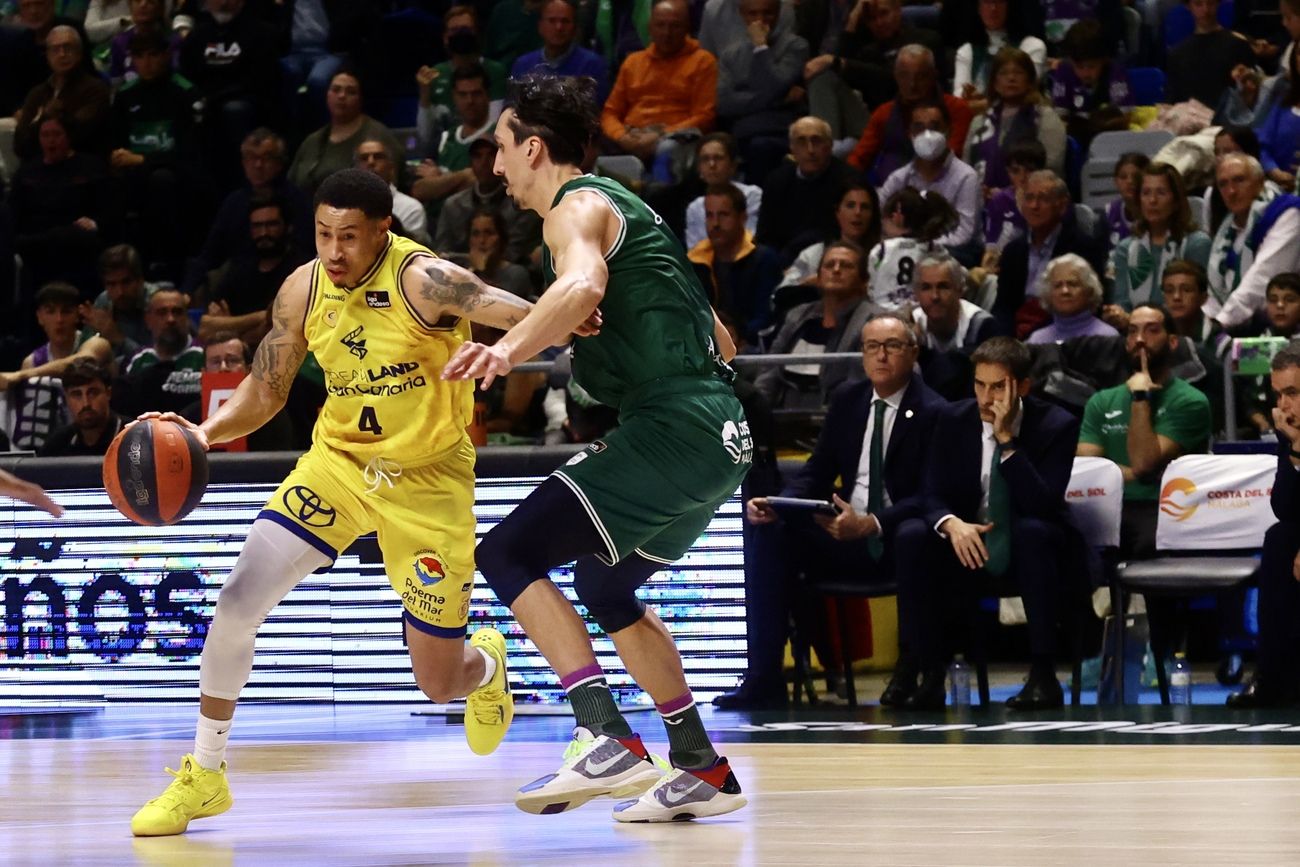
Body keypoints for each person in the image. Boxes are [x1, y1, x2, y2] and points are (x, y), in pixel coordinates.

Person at [129, 168, 535, 837]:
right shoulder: (303, 287)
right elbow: (267, 387)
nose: (335, 250)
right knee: (237, 601)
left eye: (350, 236)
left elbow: (512, 310)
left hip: (427, 481)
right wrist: (202, 431)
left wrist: (576, 318)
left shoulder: (426, 281)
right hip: (338, 466)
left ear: (385, 229)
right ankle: (205, 773)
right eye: (323, 234)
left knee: (438, 682)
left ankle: (488, 663)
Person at [443, 74, 751, 823]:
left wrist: (507, 350)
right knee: (607, 587)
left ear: (534, 147)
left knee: (507, 554)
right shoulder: (634, 211)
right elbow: (723, 339)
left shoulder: (573, 208)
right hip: (723, 434)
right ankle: (700, 765)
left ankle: (603, 730)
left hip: (670, 428)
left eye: (503, 148)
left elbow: (581, 286)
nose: (497, 166)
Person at [727, 313, 946, 710]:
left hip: (896, 537)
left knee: (917, 535)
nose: (881, 356)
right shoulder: (849, 399)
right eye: (872, 347)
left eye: (892, 346)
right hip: (842, 533)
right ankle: (764, 676)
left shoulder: (935, 411)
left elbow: (932, 495)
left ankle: (913, 670)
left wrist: (873, 523)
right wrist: (781, 503)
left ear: (913, 352)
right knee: (772, 532)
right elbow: (817, 472)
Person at [893, 337, 1079, 710]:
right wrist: (952, 525)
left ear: (1022, 387)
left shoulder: (1057, 424)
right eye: (979, 384)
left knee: (1033, 533)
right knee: (914, 535)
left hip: (1030, 547)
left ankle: (1043, 674)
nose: (986, 397)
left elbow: (1042, 504)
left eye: (998, 387)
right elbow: (930, 492)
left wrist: (1008, 442)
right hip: (968, 545)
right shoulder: (951, 419)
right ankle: (926, 673)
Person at [1227, 340, 1300, 707]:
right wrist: (1297, 449)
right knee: (1280, 537)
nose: (1283, 407)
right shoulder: (1291, 432)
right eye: (1278, 395)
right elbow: (1284, 506)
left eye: (1293, 393)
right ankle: (1273, 677)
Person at [599, 0, 717, 183]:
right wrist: (621, 136)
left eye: (675, 26)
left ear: (687, 27)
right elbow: (610, 112)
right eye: (660, 25)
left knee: (667, 149)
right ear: (650, 27)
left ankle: (658, 205)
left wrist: (661, 135)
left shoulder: (703, 61)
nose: (667, 33)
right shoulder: (633, 62)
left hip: (675, 137)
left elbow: (704, 116)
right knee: (590, 144)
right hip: (632, 134)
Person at [988, 170, 1106, 336]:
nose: (1034, 206)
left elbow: (1092, 304)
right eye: (1029, 198)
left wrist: (1036, 334)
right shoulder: (1012, 251)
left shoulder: (1083, 248)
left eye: (1042, 199)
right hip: (1017, 335)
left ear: (1062, 205)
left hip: (1063, 332)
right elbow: (1004, 306)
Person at [1, 281, 114, 451]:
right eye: (51, 311)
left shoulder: (97, 343)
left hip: (101, 437)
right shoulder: (32, 362)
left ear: (78, 314)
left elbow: (81, 362)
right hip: (56, 444)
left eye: (66, 311)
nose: (59, 319)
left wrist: (20, 375)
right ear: (40, 316)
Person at [846, 44, 973, 185]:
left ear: (934, 75)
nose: (912, 84)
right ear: (895, 75)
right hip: (888, 193)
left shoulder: (957, 109)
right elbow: (859, 158)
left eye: (921, 76)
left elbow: (954, 158)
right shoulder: (884, 113)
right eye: (904, 75)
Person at [715, 0, 810, 184]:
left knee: (761, 147)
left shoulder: (796, 46)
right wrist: (779, 100)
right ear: (743, 16)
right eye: (753, 14)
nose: (760, 20)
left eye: (768, 14)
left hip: (779, 130)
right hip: (742, 132)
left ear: (778, 14)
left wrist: (760, 47)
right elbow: (724, 103)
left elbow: (773, 86)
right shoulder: (730, 55)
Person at [1204, 153, 1300, 328]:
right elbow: (1214, 292)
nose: (1231, 191)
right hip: (1235, 326)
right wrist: (1204, 325)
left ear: (1260, 182)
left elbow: (1262, 278)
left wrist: (1219, 323)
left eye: (1239, 180)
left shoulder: (1288, 213)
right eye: (1223, 184)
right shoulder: (1227, 229)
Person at [198, 194, 309, 346]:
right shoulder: (239, 268)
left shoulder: (302, 270)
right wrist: (261, 317)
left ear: (288, 227)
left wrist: (229, 327)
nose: (264, 233)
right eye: (257, 226)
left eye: (271, 225)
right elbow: (206, 327)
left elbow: (275, 334)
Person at [878, 100, 982, 262]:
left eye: (934, 127)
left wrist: (921, 246)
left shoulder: (966, 177)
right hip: (906, 251)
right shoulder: (899, 178)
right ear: (909, 133)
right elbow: (879, 216)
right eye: (919, 127)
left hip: (952, 254)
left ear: (948, 130)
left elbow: (964, 234)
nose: (927, 134)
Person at [1106, 162, 1212, 316]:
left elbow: (1198, 303)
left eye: (1161, 193)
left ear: (1176, 201)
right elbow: (1122, 302)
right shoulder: (1125, 248)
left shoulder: (1196, 244)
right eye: (1146, 193)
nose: (1152, 200)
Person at [687, 183, 782, 345]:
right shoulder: (694, 261)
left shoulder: (764, 259)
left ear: (742, 218)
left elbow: (765, 318)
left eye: (723, 215)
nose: (715, 223)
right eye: (709, 215)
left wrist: (734, 335)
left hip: (750, 349)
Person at [962, 47, 1066, 192]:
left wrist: (1010, 194)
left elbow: (1052, 168)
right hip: (981, 201)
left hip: (1032, 201)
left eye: (1018, 72)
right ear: (995, 83)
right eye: (1004, 73)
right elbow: (966, 168)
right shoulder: (979, 122)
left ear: (1029, 81)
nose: (1011, 78)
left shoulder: (1044, 117)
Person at [287, 68, 403, 197]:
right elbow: (291, 186)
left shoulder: (379, 136)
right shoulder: (312, 141)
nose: (342, 96)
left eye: (351, 92)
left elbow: (389, 189)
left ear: (361, 98)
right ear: (327, 95)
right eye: (336, 90)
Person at [755, 116, 857, 258]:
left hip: (831, 260)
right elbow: (765, 236)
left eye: (816, 141)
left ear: (829, 145)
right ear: (792, 148)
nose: (810, 150)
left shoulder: (849, 182)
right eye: (801, 142)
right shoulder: (776, 180)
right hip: (784, 262)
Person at [433, 136, 542, 264]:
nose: (484, 162)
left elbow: (516, 253)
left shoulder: (522, 204)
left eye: (491, 155)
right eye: (478, 156)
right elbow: (442, 254)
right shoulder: (453, 205)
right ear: (471, 164)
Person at [179, 332, 295, 451]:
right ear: (203, 373)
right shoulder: (189, 417)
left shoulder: (273, 416)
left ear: (249, 370)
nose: (223, 368)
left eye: (232, 360)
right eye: (216, 362)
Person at [13, 24, 111, 160]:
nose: (62, 54)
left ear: (79, 53)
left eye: (68, 48)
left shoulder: (96, 89)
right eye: (55, 49)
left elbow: (79, 135)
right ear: (47, 56)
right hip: (39, 167)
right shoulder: (37, 93)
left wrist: (42, 121)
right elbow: (20, 145)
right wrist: (45, 116)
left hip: (81, 166)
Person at [866, 187, 959, 310]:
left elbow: (870, 287)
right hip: (922, 314)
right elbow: (957, 277)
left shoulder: (882, 250)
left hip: (883, 315)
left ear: (897, 215)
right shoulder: (934, 248)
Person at [1048, 19, 1132, 148]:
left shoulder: (1115, 71)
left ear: (1103, 61)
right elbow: (1060, 119)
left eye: (1091, 67)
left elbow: (1124, 118)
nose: (1085, 73)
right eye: (1079, 67)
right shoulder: (1064, 70)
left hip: (1109, 140)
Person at [781, 183, 881, 287]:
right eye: (850, 205)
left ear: (872, 214)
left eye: (865, 207)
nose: (857, 212)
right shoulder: (813, 255)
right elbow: (781, 295)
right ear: (837, 212)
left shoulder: (884, 255)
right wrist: (806, 286)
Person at [953, 0, 1047, 109]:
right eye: (987, 2)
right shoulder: (966, 51)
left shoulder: (1033, 46)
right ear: (978, 8)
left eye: (999, 2)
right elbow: (959, 102)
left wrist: (976, 104)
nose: (993, 8)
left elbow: (1023, 96)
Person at [510, 0, 610, 103]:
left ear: (575, 28)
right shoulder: (523, 65)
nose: (559, 27)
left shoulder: (592, 65)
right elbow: (511, 109)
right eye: (552, 21)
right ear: (540, 26)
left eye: (565, 21)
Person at [1167, 0, 1257, 109]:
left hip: (1229, 119)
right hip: (1190, 121)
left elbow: (1252, 93)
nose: (1206, 10)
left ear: (1218, 4)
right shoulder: (1177, 54)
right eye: (1198, 4)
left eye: (1210, 3)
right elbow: (1174, 100)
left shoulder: (1238, 45)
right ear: (1188, 6)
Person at [684, 132, 763, 250]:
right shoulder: (694, 207)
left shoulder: (751, 195)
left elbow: (751, 237)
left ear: (733, 165)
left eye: (718, 158)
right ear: (699, 168)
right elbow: (694, 250)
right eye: (705, 159)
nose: (712, 165)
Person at [38, 357, 124, 456]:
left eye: (93, 393)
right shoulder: (57, 445)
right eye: (77, 394)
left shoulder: (134, 438)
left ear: (108, 393)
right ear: (66, 398)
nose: (86, 403)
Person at [354, 138, 430, 247]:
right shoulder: (340, 207)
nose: (371, 162)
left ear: (391, 168)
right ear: (354, 168)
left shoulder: (411, 208)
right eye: (364, 158)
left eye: (378, 157)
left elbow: (409, 252)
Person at [1027, 254, 1118, 344]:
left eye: (1072, 284)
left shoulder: (1107, 337)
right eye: (1058, 285)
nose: (1065, 291)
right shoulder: (1037, 340)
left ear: (1089, 290)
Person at [463, 207, 534, 300]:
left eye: (489, 233)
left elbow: (493, 306)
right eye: (475, 234)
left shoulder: (516, 274)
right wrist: (473, 270)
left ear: (502, 238)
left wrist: (480, 271)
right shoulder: (462, 271)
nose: (482, 240)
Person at [1105, 153, 1149, 252]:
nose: (1130, 181)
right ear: (1116, 181)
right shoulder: (1109, 213)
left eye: (1136, 176)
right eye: (1123, 177)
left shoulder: (1155, 213)